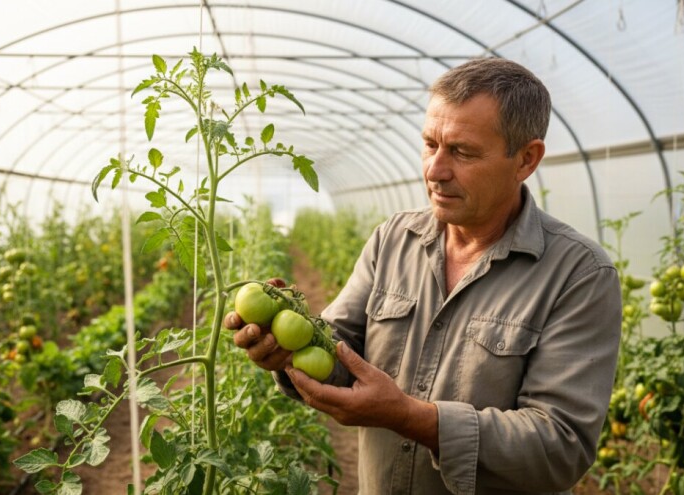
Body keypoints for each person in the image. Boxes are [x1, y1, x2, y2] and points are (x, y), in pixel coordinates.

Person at [226, 57, 622, 495]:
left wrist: (409, 417)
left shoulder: (578, 275)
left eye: (462, 151)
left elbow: (559, 447)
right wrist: (285, 348)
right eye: (430, 144)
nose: (435, 170)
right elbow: (339, 350)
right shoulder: (393, 239)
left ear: (526, 159)